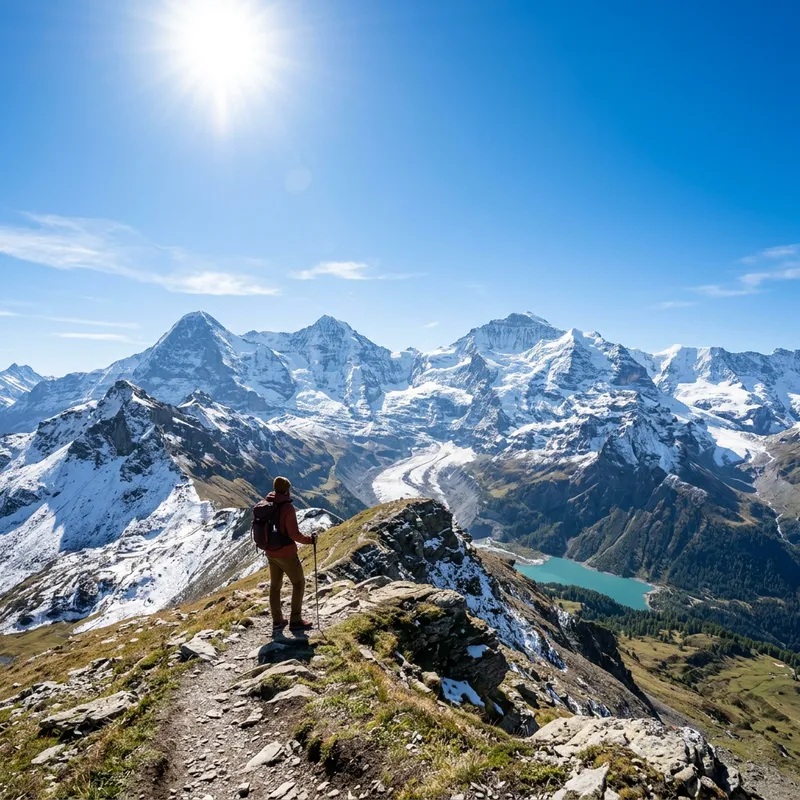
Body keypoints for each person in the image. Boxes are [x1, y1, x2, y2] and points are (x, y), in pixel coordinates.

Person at [265, 476, 316, 634]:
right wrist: (310, 540)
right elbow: (294, 534)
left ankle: (277, 621)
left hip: (270, 552)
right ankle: (295, 620)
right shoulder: (287, 508)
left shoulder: (267, 503)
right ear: (287, 489)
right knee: (299, 583)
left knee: (275, 586)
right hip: (286, 553)